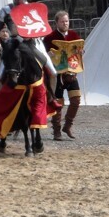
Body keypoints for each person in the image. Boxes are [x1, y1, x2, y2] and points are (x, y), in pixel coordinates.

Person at [43, 10, 82, 140]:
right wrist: (49, 55)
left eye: (67, 21)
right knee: (58, 103)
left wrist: (81, 51)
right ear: (56, 23)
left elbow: (78, 52)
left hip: (71, 73)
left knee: (76, 100)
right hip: (57, 75)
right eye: (62, 21)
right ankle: (57, 131)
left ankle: (68, 126)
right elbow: (43, 55)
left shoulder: (74, 34)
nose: (65, 23)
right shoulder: (49, 38)